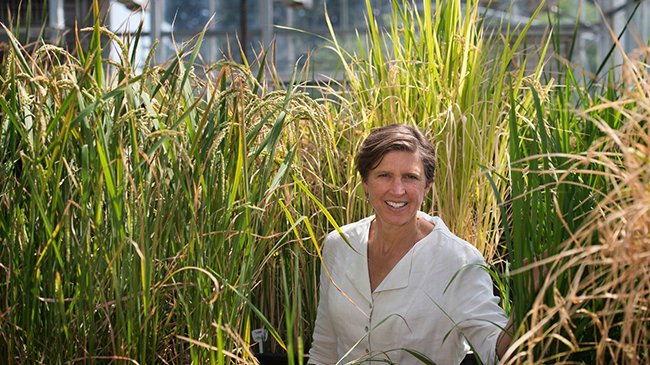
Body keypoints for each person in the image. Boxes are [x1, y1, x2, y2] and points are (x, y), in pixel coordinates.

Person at [308, 124, 513, 365]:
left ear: (426, 186)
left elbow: (495, 351)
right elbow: (324, 350)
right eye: (384, 175)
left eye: (410, 177)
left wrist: (528, 311)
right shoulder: (339, 245)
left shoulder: (459, 261)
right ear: (366, 182)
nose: (397, 190)